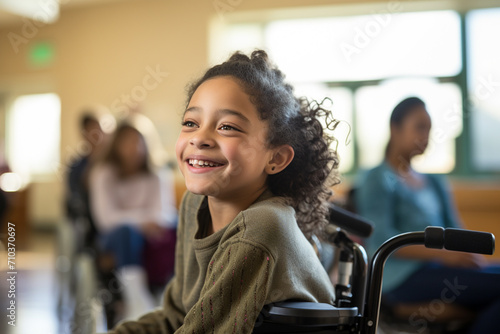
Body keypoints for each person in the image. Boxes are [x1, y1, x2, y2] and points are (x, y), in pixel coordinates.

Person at [110, 50, 341, 333]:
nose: (200, 138)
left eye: (227, 127)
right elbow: (177, 316)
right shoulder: (194, 204)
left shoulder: (261, 226)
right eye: (191, 123)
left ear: (276, 158)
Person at [355, 97, 500, 334]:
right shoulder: (377, 180)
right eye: (420, 127)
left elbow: (456, 229)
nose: (426, 136)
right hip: (402, 277)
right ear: (395, 128)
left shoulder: (434, 182)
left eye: (429, 129)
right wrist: (445, 255)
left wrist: (469, 255)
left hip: (442, 269)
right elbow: (381, 240)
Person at [89, 120, 178, 321]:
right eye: (127, 142)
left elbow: (165, 212)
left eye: (138, 142)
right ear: (116, 145)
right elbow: (106, 219)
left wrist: (146, 223)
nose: (134, 148)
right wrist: (141, 222)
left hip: (152, 235)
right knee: (127, 233)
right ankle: (136, 298)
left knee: (180, 225)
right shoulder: (103, 174)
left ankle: (173, 293)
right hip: (115, 237)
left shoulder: (158, 173)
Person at [65, 111, 107, 249]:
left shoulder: (111, 162)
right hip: (88, 212)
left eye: (98, 128)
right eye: (91, 130)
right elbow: (77, 192)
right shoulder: (77, 165)